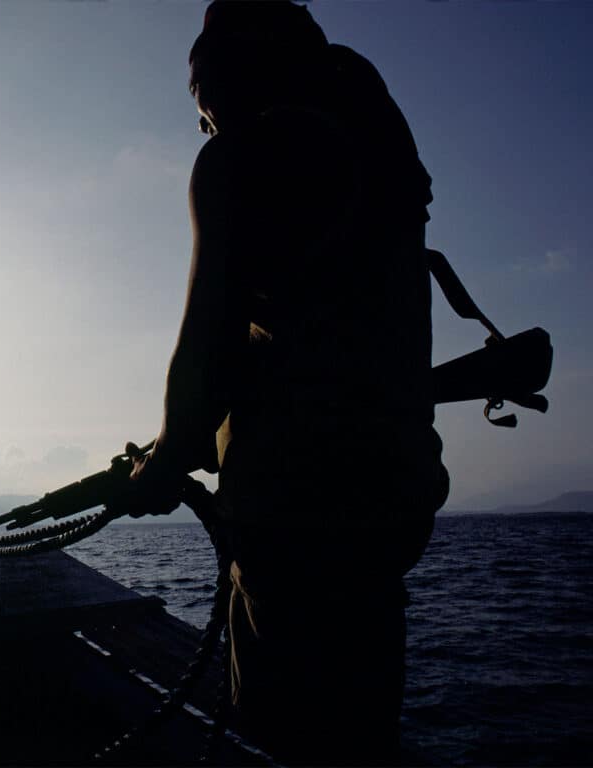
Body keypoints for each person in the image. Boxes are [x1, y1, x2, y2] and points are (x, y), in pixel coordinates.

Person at [126, 2, 450, 764]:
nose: (201, 123)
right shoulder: (376, 157)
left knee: (277, 732)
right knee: (362, 723)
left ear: (225, 75)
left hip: (294, 508)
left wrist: (166, 458)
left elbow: (208, 330)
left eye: (200, 101)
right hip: (393, 499)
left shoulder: (240, 160)